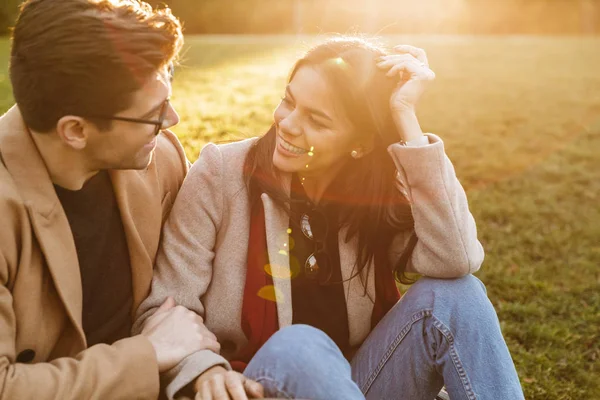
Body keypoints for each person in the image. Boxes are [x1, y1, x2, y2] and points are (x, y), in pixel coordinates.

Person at [134, 37, 525, 400]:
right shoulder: (221, 173)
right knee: (300, 344)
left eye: (317, 121)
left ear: (360, 144)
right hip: (256, 384)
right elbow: (167, 305)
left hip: (354, 383)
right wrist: (204, 371)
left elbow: (454, 258)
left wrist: (406, 117)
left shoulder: (372, 191)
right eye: (289, 101)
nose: (286, 123)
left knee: (460, 295)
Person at [0, 0, 221, 398]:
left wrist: (201, 369)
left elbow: (186, 297)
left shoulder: (161, 160)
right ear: (75, 131)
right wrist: (147, 354)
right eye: (153, 113)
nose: (172, 121)